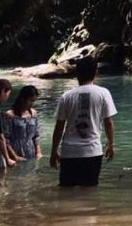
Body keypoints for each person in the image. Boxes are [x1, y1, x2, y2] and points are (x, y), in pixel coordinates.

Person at [50, 57, 117, 187]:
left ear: (76, 74)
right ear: (95, 72)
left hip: (69, 152)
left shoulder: (67, 96)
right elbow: (108, 122)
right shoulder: (103, 93)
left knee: (66, 191)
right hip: (92, 151)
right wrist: (111, 145)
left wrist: (54, 151)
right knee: (89, 192)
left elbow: (59, 127)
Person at [4, 85, 42, 161]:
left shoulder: (33, 113)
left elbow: (36, 135)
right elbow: (6, 138)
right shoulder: (10, 115)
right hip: (15, 151)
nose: (32, 103)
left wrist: (38, 152)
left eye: (34, 101)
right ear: (23, 99)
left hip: (31, 151)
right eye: (31, 100)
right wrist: (14, 156)